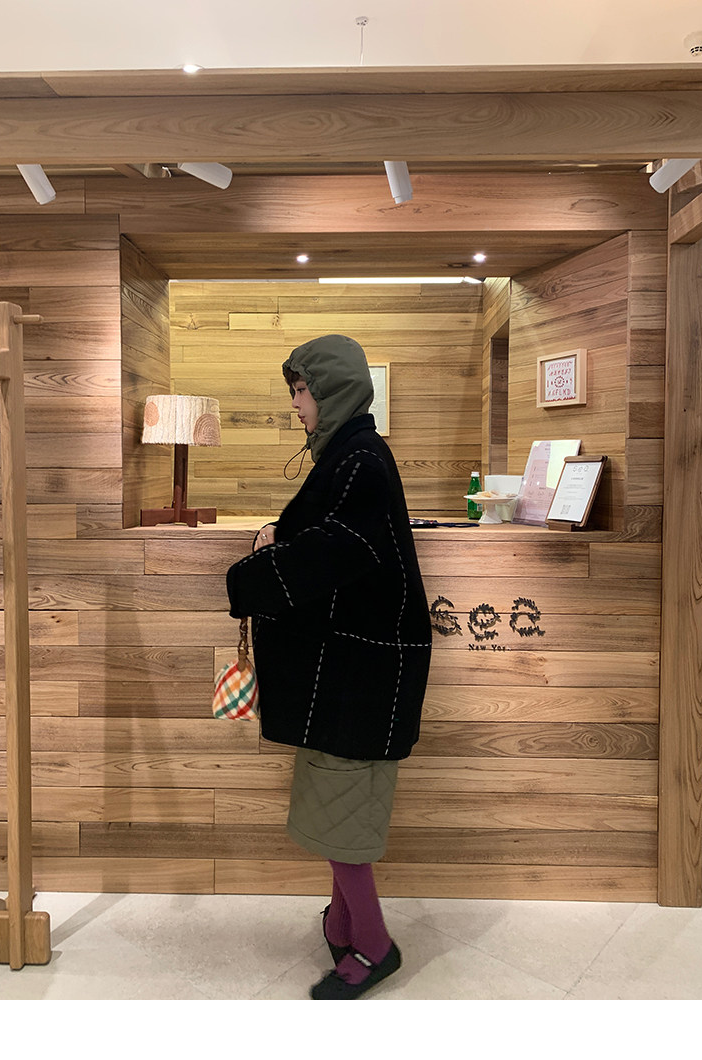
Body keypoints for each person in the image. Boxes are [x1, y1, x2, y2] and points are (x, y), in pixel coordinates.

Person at [225, 334, 432, 1000]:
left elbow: (338, 550)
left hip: (363, 673)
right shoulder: (350, 453)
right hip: (353, 668)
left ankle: (374, 945)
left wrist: (250, 578)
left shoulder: (360, 458)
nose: (295, 404)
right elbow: (334, 540)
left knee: (343, 810)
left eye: (301, 390)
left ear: (332, 389)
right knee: (333, 801)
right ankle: (341, 923)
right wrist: (282, 537)